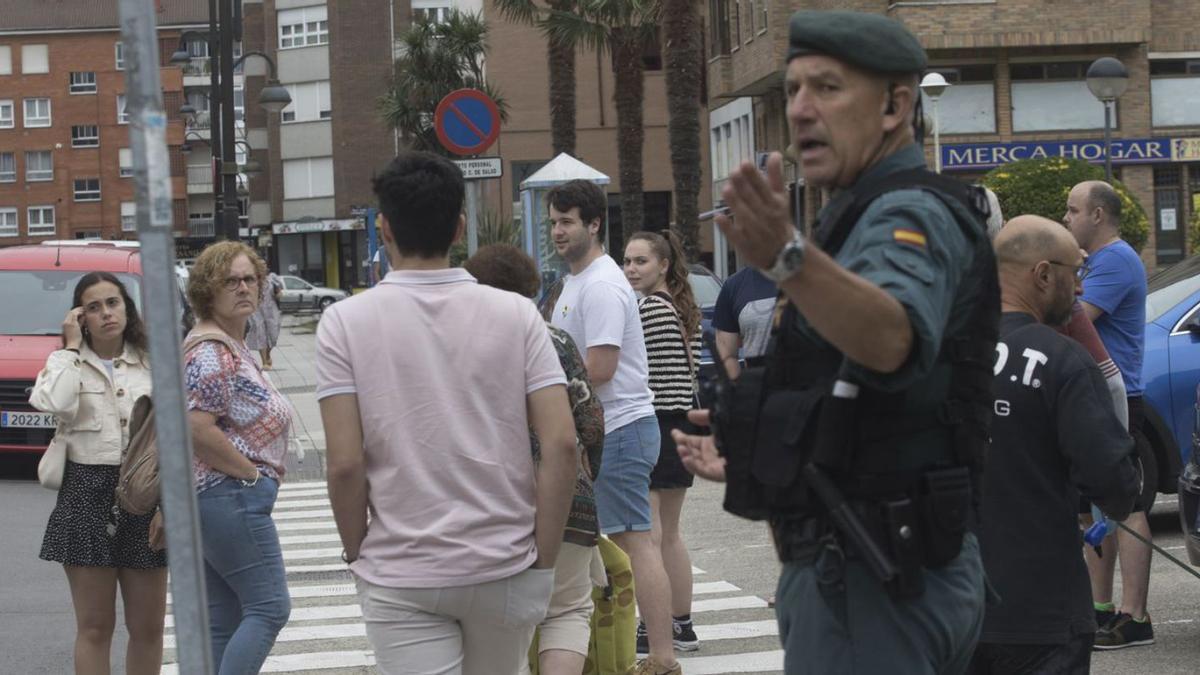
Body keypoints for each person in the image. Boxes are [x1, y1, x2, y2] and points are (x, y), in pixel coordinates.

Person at [673, 10, 999, 673]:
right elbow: (859, 395)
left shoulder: (906, 211)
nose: (800, 109)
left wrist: (788, 257)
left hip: (874, 579)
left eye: (826, 87)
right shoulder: (857, 212)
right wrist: (758, 440)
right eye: (793, 90)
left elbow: (891, 338)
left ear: (895, 105)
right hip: (873, 567)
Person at [316, 152, 578, 675]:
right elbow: (562, 444)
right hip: (502, 560)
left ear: (383, 228)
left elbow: (344, 464)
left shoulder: (343, 323)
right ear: (460, 226)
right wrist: (543, 557)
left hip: (402, 570)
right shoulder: (518, 314)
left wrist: (356, 553)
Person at [968, 215, 1140, 674]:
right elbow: (1113, 481)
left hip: (951, 610)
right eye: (1075, 273)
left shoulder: (942, 356)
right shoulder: (1063, 361)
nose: (1081, 289)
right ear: (1043, 275)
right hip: (1040, 613)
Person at [548, 179, 681, 675]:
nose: (559, 232)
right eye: (554, 222)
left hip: (620, 425)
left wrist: (545, 395)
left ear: (594, 223)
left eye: (568, 222)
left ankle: (663, 656)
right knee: (621, 540)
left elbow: (599, 368)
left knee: (634, 541)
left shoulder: (602, 284)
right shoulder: (575, 283)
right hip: (606, 428)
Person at [464, 243, 606, 675]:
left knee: (499, 624)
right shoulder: (556, 341)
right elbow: (592, 423)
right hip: (568, 505)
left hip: (489, 505)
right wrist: (585, 475)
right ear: (528, 289)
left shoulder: (460, 349)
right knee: (566, 613)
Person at [31, 272, 166, 675]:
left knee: (148, 627)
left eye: (113, 302)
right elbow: (53, 402)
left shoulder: (153, 362)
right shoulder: (65, 362)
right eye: (93, 307)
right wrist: (71, 348)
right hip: (85, 492)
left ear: (127, 307)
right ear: (80, 317)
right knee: (94, 627)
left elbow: (176, 436)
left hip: (146, 495)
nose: (106, 313)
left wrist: (169, 505)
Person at [185, 241, 293, 673]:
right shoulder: (212, 351)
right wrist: (250, 476)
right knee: (270, 607)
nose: (244, 287)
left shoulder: (231, 344)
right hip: (228, 494)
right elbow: (197, 427)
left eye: (250, 279)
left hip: (214, 498)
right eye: (230, 281)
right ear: (207, 291)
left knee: (224, 619)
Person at [1063, 180, 1153, 649]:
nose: (1066, 218)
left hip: (1117, 398)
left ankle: (1135, 616)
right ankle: (1100, 610)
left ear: (1097, 215)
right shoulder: (1094, 261)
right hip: (1087, 395)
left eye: (1073, 210)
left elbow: (1073, 316)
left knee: (1126, 504)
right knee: (1088, 511)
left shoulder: (1115, 259)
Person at [624, 231, 703, 655]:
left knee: (649, 536)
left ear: (663, 265)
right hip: (683, 426)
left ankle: (651, 626)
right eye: (628, 261)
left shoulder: (651, 309)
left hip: (657, 422)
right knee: (670, 534)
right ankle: (682, 624)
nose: (632, 269)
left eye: (641, 262)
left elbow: (633, 370)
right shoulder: (683, 309)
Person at [712, 266, 777, 378]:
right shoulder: (734, 286)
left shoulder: (812, 276)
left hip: (811, 391)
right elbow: (727, 356)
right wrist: (738, 389)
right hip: (761, 390)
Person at [246, 270, 283, 370]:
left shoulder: (272, 279)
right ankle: (264, 362)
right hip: (256, 310)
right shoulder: (251, 280)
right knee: (260, 333)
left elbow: (279, 293)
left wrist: (278, 294)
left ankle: (267, 354)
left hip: (271, 309)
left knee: (273, 334)